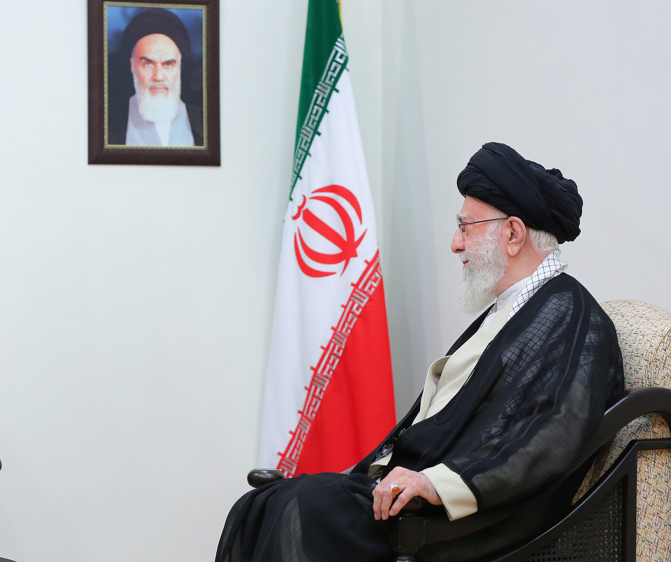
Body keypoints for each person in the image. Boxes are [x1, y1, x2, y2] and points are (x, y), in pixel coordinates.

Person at [214, 142, 624, 562]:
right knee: (263, 505)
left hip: (469, 522)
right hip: (418, 500)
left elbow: (553, 432)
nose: (455, 243)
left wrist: (438, 484)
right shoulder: (517, 306)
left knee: (301, 508)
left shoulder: (573, 317)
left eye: (465, 227)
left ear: (513, 234)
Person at [108, 8, 203, 147]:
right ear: (132, 65)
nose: (158, 76)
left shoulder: (204, 121)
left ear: (179, 67)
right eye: (147, 64)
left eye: (168, 64)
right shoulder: (108, 122)